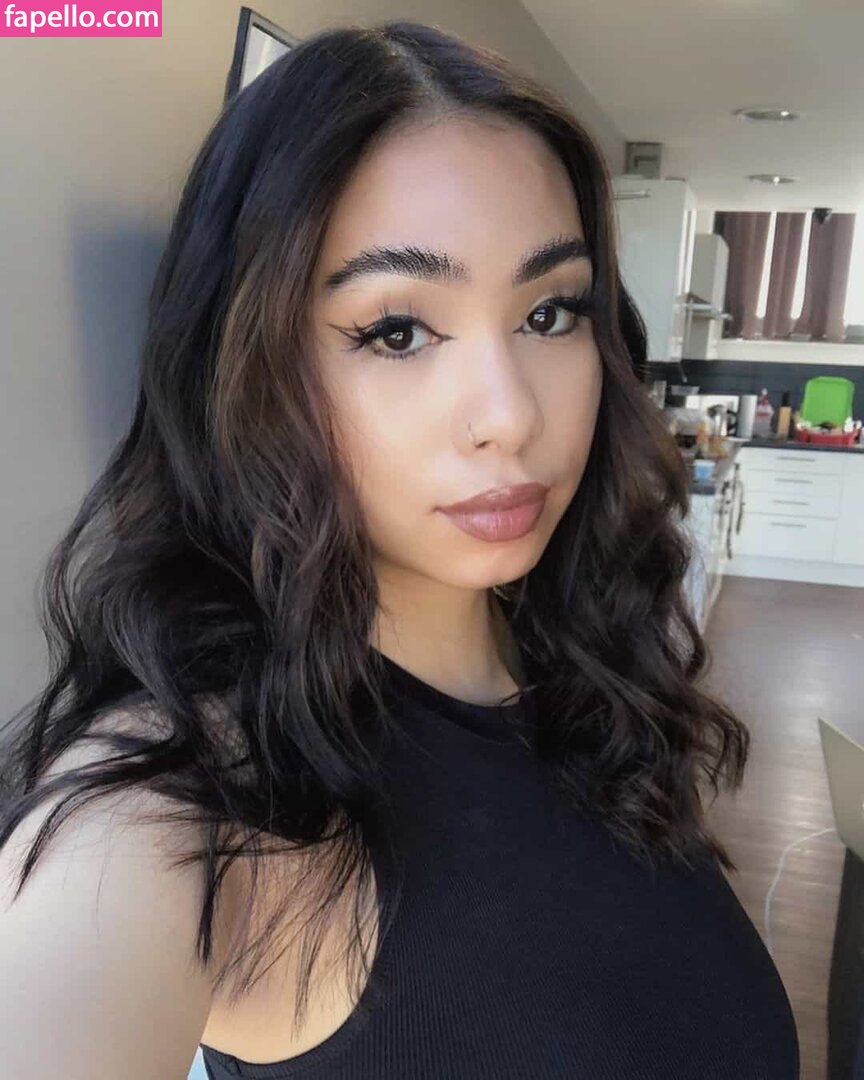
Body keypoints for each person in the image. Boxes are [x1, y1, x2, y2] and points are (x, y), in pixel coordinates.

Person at [0, 18, 799, 1080]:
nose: (509, 415)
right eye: (396, 332)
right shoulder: (190, 808)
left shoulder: (589, 676)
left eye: (550, 313)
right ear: (250, 367)